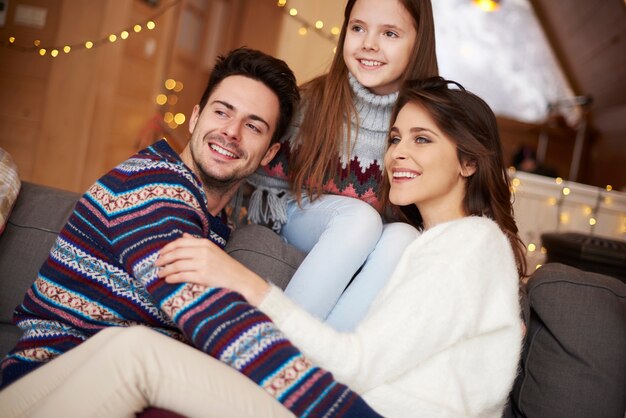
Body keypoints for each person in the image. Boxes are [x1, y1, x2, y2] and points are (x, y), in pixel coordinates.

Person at [0, 47, 380, 418]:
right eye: (222, 112)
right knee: (137, 351)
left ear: (268, 153)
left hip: (103, 392)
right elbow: (206, 312)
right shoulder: (149, 186)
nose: (231, 132)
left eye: (253, 126)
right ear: (195, 117)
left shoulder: (215, 226)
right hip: (40, 386)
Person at [140, 77, 527, 417]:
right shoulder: (430, 245)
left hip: (351, 406)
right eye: (395, 139)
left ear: (469, 163)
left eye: (422, 139)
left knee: (136, 361)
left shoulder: (470, 245)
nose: (397, 154)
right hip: (337, 400)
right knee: (135, 357)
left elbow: (354, 365)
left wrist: (246, 284)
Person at [247, 0, 439, 331]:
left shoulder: (430, 123)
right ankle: (273, 343)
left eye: (390, 33)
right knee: (360, 219)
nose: (369, 44)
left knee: (405, 238)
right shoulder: (311, 102)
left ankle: (321, 363)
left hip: (373, 238)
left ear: (418, 42)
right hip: (300, 213)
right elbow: (266, 195)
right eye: (358, 28)